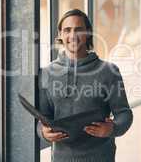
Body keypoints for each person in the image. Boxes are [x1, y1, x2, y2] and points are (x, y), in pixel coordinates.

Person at [36, 9, 133, 162]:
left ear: (88, 33)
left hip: (101, 157)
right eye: (67, 30)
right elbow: (42, 118)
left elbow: (124, 114)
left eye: (78, 29)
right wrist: (43, 132)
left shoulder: (109, 71)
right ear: (60, 34)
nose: (73, 35)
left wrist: (112, 128)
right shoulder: (47, 73)